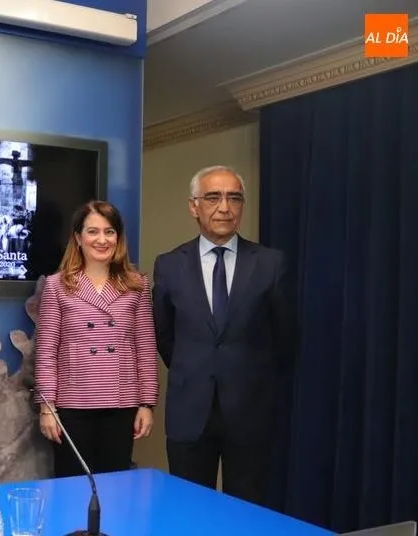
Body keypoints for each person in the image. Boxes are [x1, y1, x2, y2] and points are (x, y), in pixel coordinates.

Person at [152, 165, 295, 506]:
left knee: (247, 511)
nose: (224, 207)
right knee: (187, 510)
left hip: (250, 411)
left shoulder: (271, 263)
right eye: (213, 197)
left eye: (234, 198)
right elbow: (164, 335)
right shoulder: (169, 264)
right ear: (194, 206)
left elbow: (285, 337)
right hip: (190, 412)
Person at [34, 200, 158, 478]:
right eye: (93, 232)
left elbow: (146, 348)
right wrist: (46, 407)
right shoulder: (57, 285)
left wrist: (146, 403)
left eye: (109, 232)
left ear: (118, 238)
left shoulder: (137, 285)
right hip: (72, 404)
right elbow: (46, 351)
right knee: (72, 488)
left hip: (121, 404)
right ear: (78, 238)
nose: (102, 240)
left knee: (116, 487)